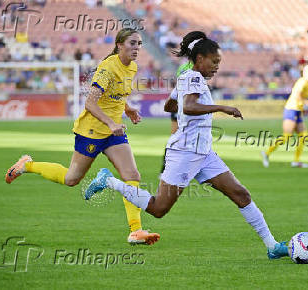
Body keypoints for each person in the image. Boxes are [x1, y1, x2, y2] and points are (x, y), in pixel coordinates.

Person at [86, 31, 290, 259]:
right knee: (158, 208)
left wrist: (185, 112)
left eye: (219, 63)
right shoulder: (192, 78)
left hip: (204, 153)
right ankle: (109, 180)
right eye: (214, 62)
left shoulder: (188, 77)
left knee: (240, 194)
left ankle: (272, 246)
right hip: (185, 152)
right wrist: (222, 108)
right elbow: (190, 106)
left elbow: (169, 105)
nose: (216, 67)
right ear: (200, 58)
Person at [5, 28, 160, 245]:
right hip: (91, 131)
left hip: (113, 133)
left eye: (139, 44)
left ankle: (136, 230)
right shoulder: (107, 68)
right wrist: (110, 122)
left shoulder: (132, 67)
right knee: (71, 179)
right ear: (119, 45)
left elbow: (114, 95)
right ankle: (27, 165)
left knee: (132, 173)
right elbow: (90, 103)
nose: (137, 48)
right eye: (132, 43)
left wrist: (129, 109)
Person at [261, 65, 308, 168]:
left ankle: (296, 161)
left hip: (297, 111)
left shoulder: (306, 83)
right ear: (304, 73)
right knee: (286, 136)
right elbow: (297, 95)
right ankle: (266, 153)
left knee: (303, 136)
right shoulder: (302, 82)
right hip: (291, 110)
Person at [160, 31, 198, 174]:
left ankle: (180, 167)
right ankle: (167, 167)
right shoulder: (187, 68)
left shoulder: (187, 68)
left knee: (183, 138)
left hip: (184, 106)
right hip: (183, 106)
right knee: (177, 137)